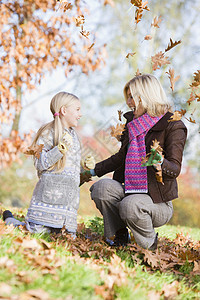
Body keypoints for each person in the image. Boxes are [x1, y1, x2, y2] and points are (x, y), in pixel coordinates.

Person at [89, 74, 187, 250]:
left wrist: (160, 162)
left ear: (146, 96)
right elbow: (121, 158)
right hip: (130, 191)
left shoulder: (173, 124)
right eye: (127, 97)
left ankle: (149, 246)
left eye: (132, 96)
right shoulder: (132, 124)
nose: (128, 102)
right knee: (101, 188)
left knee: (131, 204)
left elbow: (175, 168)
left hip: (158, 203)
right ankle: (119, 236)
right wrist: (91, 172)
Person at [3, 91, 94, 237]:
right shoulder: (47, 132)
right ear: (64, 110)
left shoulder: (74, 136)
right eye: (77, 109)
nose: (80, 114)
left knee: (67, 236)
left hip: (68, 205)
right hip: (47, 201)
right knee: (33, 232)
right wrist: (59, 149)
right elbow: (41, 163)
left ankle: (61, 227)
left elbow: (69, 167)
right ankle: (10, 220)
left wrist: (84, 165)